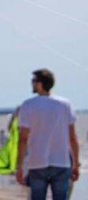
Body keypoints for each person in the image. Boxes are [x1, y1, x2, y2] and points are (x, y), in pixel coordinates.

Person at [16, 69, 79, 200]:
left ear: (40, 84)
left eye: (33, 81)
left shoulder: (28, 105)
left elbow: (23, 138)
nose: (32, 84)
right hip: (61, 162)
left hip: (37, 162)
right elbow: (72, 138)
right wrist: (75, 164)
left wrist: (19, 166)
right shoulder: (65, 105)